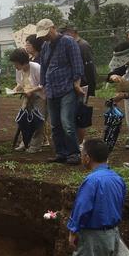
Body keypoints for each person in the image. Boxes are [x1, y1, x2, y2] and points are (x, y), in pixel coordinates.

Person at [36, 18, 85, 165]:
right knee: (55, 124)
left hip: (67, 88)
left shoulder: (68, 42)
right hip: (51, 89)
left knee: (67, 123)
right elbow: (44, 67)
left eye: (46, 33)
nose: (45, 36)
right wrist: (43, 85)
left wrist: (76, 83)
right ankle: (61, 153)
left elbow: (77, 63)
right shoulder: (45, 46)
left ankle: (74, 154)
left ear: (53, 28)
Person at [107, 41, 129, 169]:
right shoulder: (128, 65)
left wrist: (124, 95)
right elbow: (111, 74)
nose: (125, 63)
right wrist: (114, 76)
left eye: (126, 60)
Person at [61, 23, 96, 147]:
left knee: (80, 114)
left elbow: (90, 68)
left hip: (83, 85)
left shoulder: (83, 45)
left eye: (64, 33)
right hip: (72, 85)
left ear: (71, 32)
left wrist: (90, 88)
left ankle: (80, 143)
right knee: (71, 114)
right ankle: (74, 141)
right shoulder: (70, 45)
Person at [10, 48, 46, 153]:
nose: (15, 66)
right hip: (27, 96)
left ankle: (35, 146)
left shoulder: (36, 68)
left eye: (16, 63)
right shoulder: (19, 70)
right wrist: (16, 89)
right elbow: (20, 83)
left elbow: (43, 84)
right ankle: (24, 143)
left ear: (23, 62)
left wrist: (32, 90)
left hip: (40, 96)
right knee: (23, 119)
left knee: (38, 120)